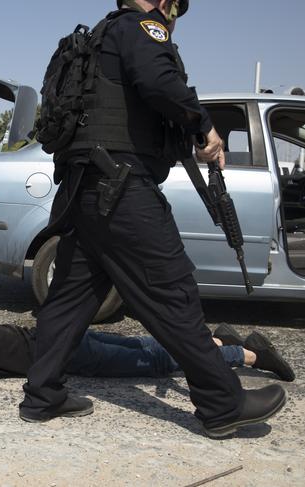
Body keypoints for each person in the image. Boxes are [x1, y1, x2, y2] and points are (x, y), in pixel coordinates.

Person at [20, 0, 287, 438]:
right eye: (176, 8)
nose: (174, 17)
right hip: (122, 188)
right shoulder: (143, 27)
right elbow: (160, 82)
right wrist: (204, 126)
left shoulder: (99, 36)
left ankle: (41, 395)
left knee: (71, 298)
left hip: (84, 188)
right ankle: (223, 404)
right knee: (173, 293)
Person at [0, 297, 294, 394]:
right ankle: (219, 341)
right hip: (58, 337)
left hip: (67, 352)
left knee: (153, 362)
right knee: (148, 345)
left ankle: (247, 354)